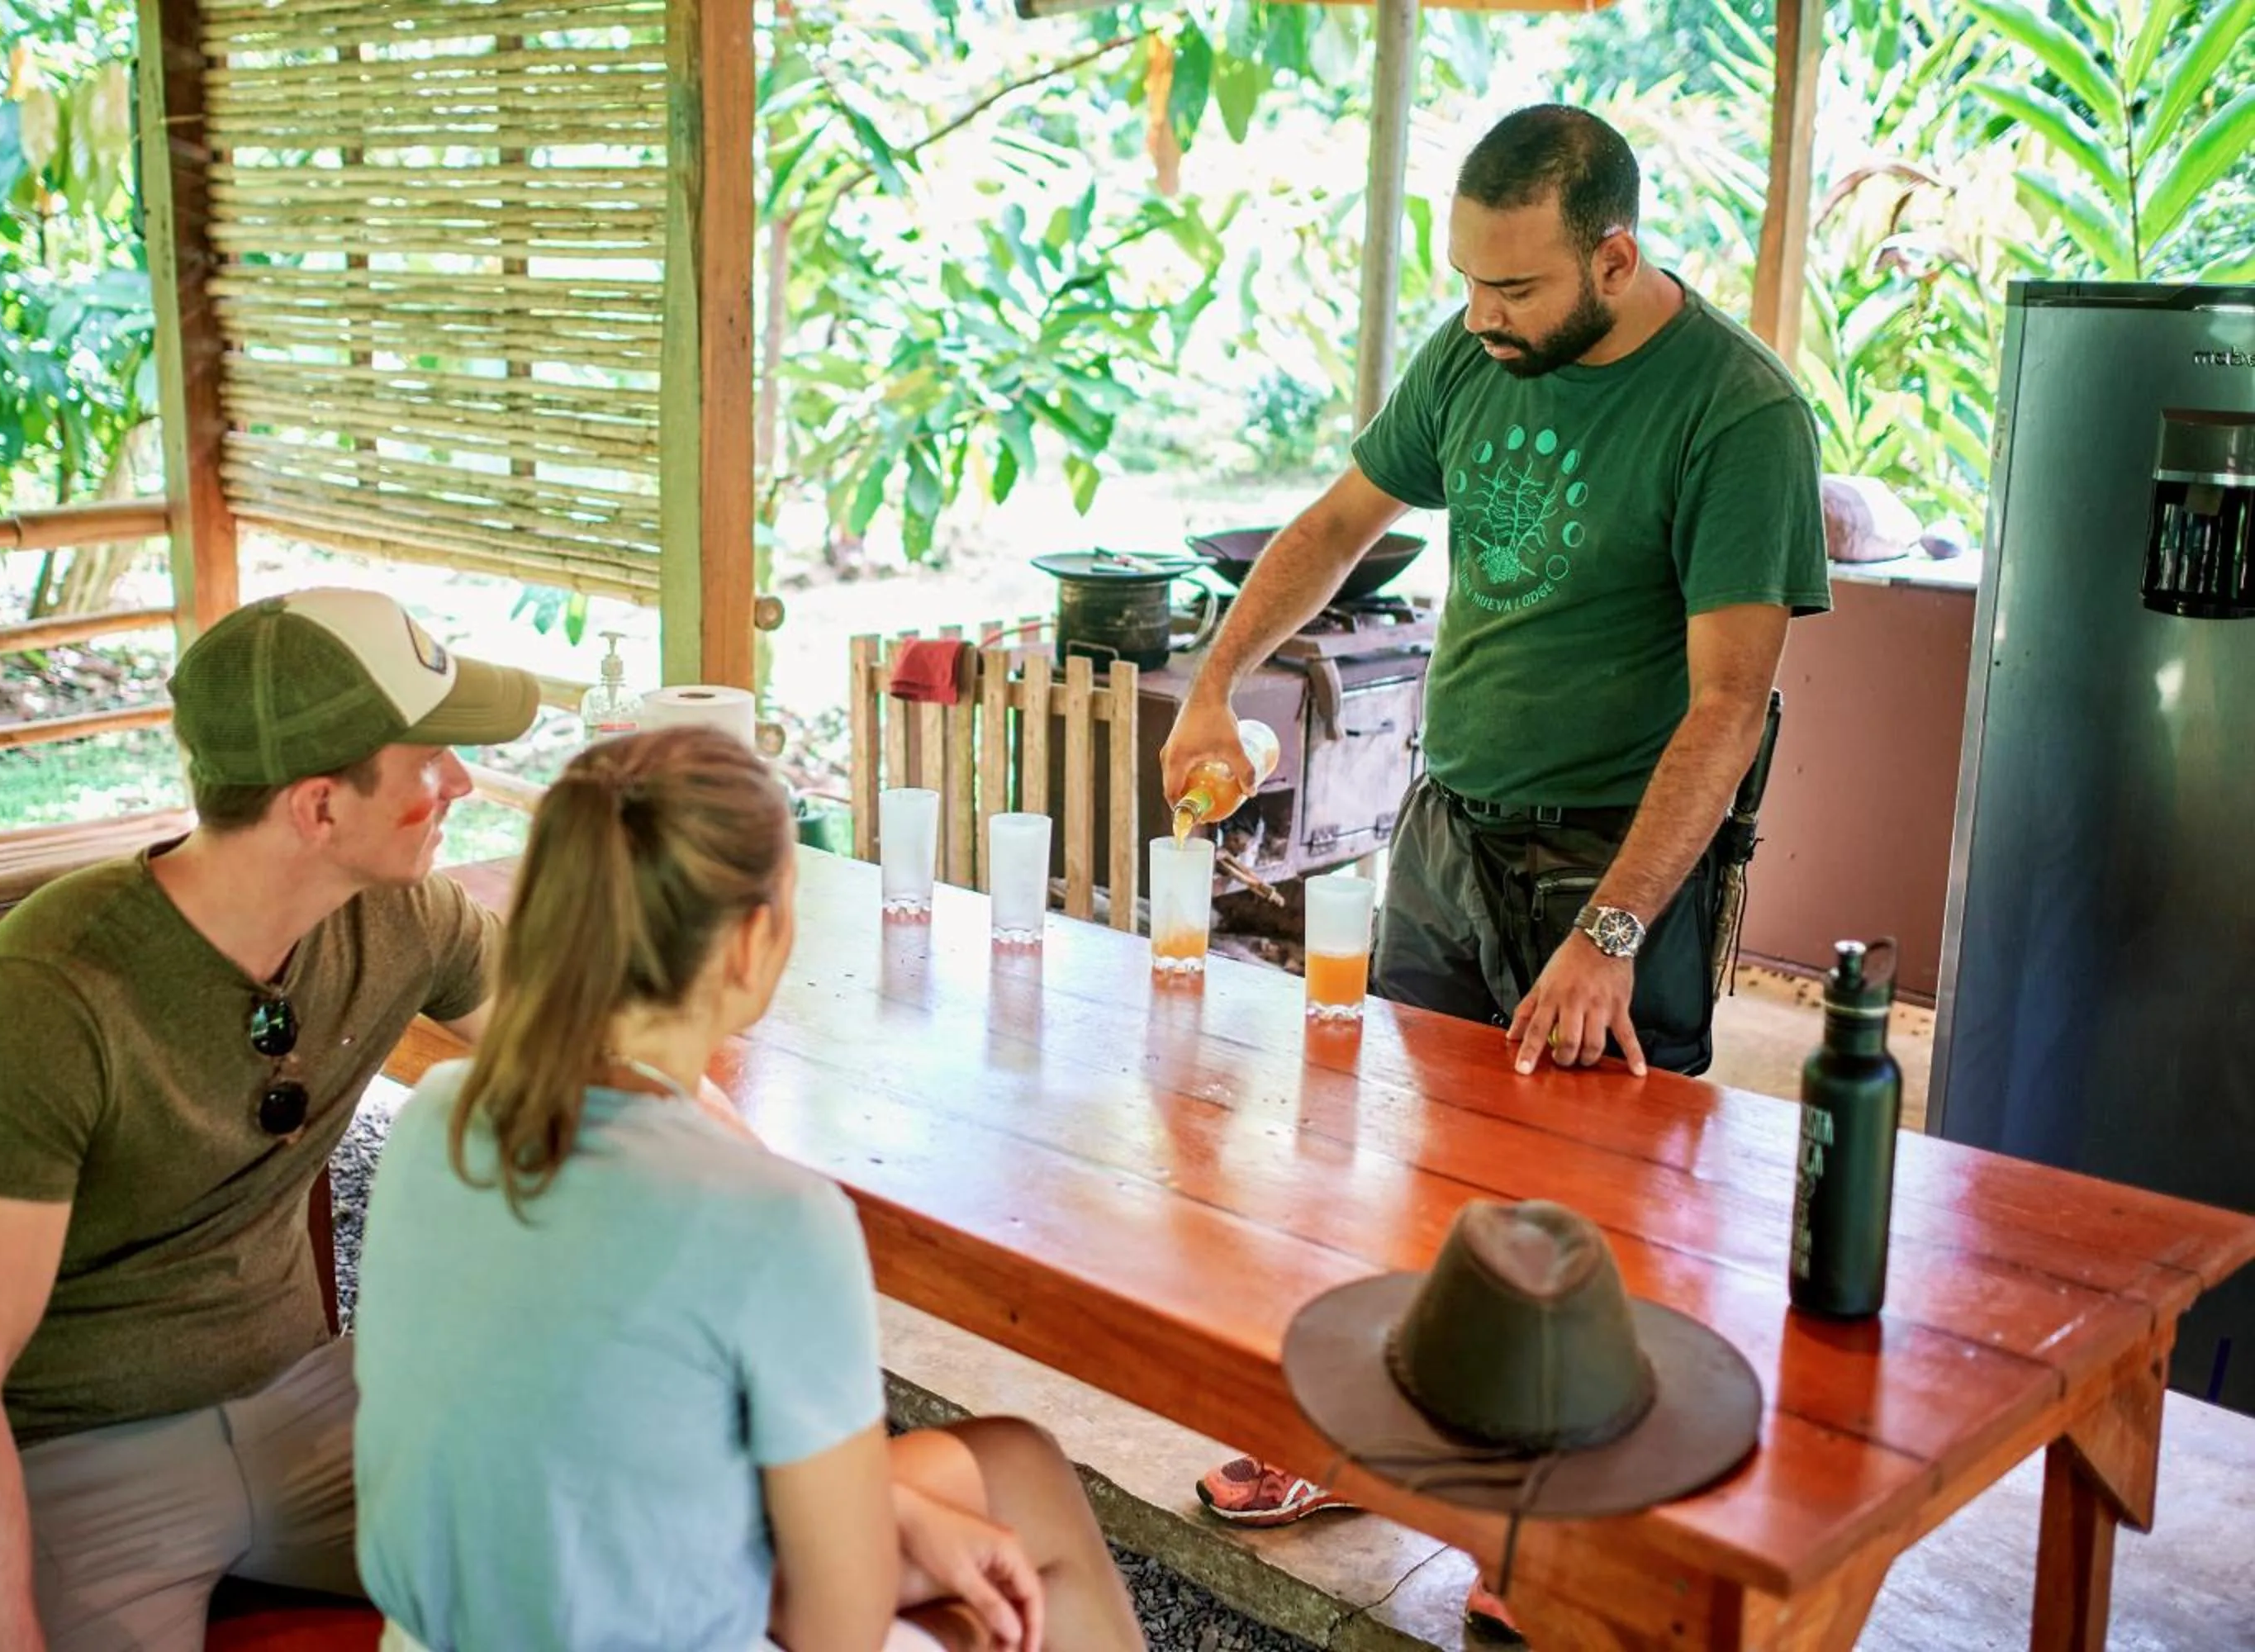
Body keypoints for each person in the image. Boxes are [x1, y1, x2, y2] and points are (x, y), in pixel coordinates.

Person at [1161, 105, 1830, 1640]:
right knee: (1413, 1162)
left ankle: (1564, 1545)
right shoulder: (1473, 358)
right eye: (1466, 283)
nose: (1480, 318)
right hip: (1452, 825)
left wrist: (1611, 930)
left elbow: (1728, 706)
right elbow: (1338, 524)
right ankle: (1378, 1444)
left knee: (1603, 1214)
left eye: (1516, 289)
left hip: (1614, 857)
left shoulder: (1736, 416)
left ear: (1615, 255)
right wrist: (1216, 682)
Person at [353, 727, 1147, 1652]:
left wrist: (887, 1513)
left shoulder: (439, 1112)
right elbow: (834, 1628)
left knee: (1016, 1462)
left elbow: (591, 1430)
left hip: (437, 1630)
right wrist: (882, 1543)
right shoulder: (776, 1221)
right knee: (995, 1608)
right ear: (753, 939)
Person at [0, 588, 540, 1651]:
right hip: (75, 1452)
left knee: (624, 1548)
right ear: (318, 807)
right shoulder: (40, 998)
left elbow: (593, 1058)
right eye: (430, 760)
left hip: (317, 1399)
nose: (461, 781)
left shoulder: (405, 916)